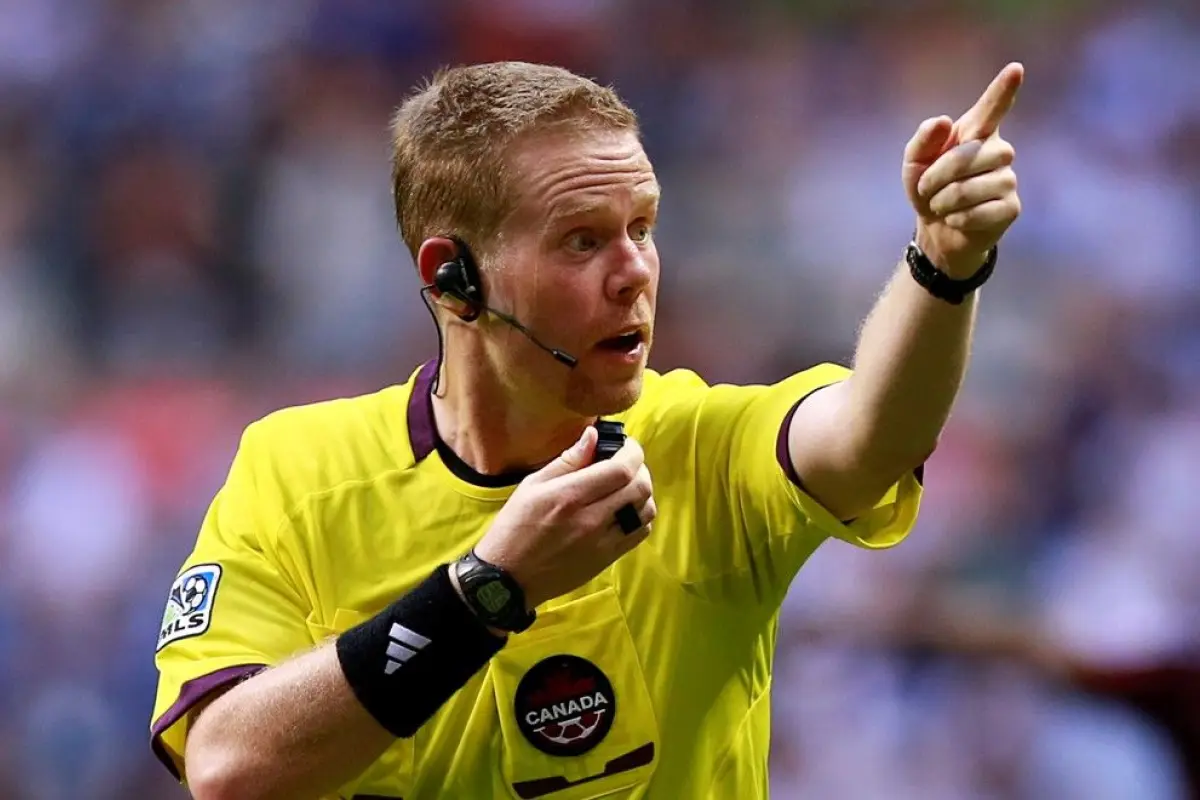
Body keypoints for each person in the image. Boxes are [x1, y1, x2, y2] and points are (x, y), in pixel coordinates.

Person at [150, 60, 1024, 799]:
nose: (634, 273)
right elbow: (228, 769)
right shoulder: (298, 471)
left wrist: (943, 267)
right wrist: (486, 592)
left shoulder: (699, 445)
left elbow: (870, 433)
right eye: (581, 241)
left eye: (642, 227)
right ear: (454, 277)